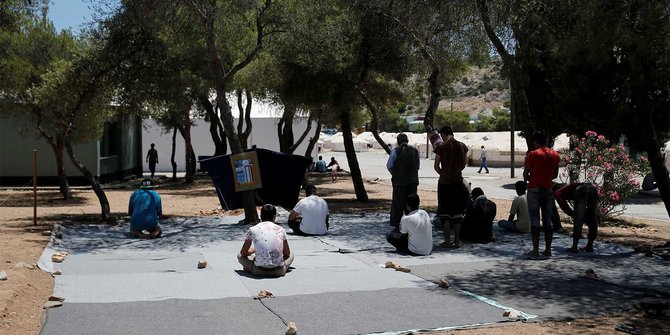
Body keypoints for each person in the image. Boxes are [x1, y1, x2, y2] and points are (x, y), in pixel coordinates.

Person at [523, 131, 561, 257]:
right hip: (548, 189)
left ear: (535, 141)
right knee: (547, 220)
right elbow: (555, 174)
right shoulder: (555, 155)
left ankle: (535, 250)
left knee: (534, 219)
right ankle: (548, 249)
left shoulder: (533, 154)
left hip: (534, 189)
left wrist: (530, 179)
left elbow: (525, 173)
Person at [434, 126, 469, 248]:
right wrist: (456, 172)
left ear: (443, 134)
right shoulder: (461, 146)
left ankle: (447, 241)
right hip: (457, 182)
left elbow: (436, 165)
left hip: (444, 184)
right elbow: (465, 163)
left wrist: (444, 174)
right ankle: (458, 241)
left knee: (445, 214)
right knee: (457, 213)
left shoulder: (441, 147)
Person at [238, 204, 294, 277]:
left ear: (261, 216)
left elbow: (243, 253)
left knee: (239, 256)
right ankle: (282, 266)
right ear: (274, 217)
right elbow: (287, 253)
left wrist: (255, 249)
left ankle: (251, 267)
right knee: (291, 254)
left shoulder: (253, 229)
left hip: (258, 271)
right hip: (278, 271)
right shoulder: (280, 229)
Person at [386, 133, 420, 227]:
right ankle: (412, 225)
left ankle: (396, 226)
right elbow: (417, 166)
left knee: (398, 204)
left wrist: (395, 174)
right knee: (412, 204)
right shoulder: (415, 151)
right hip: (412, 182)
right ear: (407, 141)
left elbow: (389, 166)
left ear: (398, 142)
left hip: (399, 182)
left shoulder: (395, 151)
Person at [554, 183, 599, 252]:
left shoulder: (557, 191)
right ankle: (590, 245)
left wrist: (571, 213)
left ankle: (574, 247)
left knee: (578, 218)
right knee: (593, 218)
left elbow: (563, 204)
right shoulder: (567, 187)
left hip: (582, 190)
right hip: (592, 189)